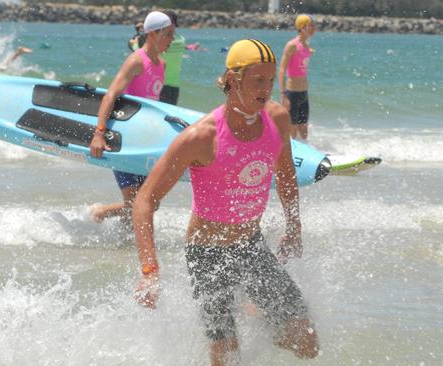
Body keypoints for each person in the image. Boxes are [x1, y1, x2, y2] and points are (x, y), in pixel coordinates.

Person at [132, 39, 319, 366]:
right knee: (227, 357)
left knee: (307, 343)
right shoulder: (201, 137)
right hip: (207, 254)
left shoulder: (276, 119)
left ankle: (260, 315)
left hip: (251, 247)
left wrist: (293, 226)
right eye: (258, 81)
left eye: (271, 81)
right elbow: (145, 199)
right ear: (233, 80)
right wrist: (150, 269)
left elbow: (286, 177)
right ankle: (249, 312)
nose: (266, 89)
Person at [89, 11, 174, 226]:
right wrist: (99, 133)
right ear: (153, 34)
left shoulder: (162, 65)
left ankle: (123, 243)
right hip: (125, 138)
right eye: (168, 34)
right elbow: (111, 94)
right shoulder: (136, 61)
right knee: (137, 201)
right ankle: (99, 213)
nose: (172, 39)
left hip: (145, 141)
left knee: (150, 203)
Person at [279, 14, 315, 141]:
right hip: (292, 93)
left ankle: (305, 154)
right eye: (311, 26)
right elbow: (282, 69)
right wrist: (283, 95)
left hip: (304, 94)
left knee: (304, 131)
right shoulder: (291, 45)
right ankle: (289, 156)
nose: (314, 29)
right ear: (302, 27)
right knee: (292, 131)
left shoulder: (306, 46)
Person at [159, 10, 185, 105]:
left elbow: (138, 48)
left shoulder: (164, 40)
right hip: (175, 85)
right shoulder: (182, 39)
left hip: (161, 84)